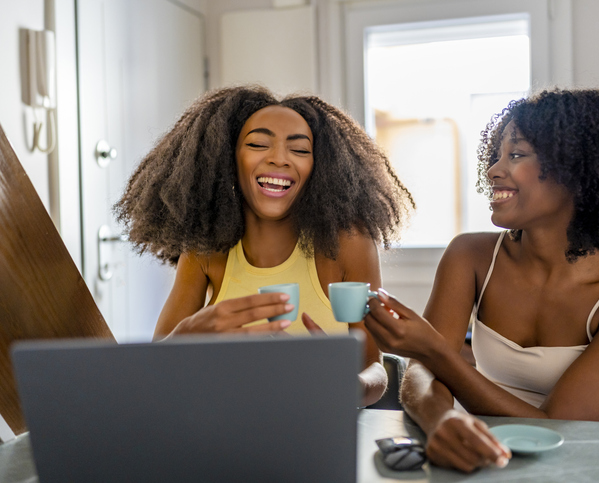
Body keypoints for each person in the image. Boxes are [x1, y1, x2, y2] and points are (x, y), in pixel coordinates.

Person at [363, 88, 599, 472]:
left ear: (577, 171)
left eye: (516, 154)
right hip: (488, 455)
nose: (494, 170)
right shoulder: (470, 256)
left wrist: (437, 353)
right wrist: (441, 420)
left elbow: (558, 425)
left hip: (592, 463)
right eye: (497, 155)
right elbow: (421, 374)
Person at [114, 85, 414, 406]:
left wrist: (350, 384)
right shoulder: (205, 254)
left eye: (299, 150)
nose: (279, 159)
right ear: (225, 159)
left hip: (319, 424)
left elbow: (375, 368)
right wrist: (185, 339)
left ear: (321, 168)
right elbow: (154, 372)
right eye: (258, 144)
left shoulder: (348, 245)